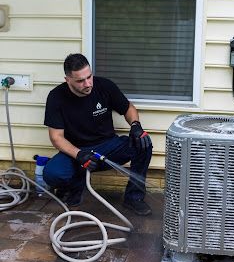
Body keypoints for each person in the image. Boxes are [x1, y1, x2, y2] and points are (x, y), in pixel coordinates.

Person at [43, 53, 153, 215]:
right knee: (52, 174)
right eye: (80, 81)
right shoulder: (56, 97)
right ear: (68, 80)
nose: (87, 84)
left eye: (89, 77)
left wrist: (136, 126)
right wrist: (79, 154)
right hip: (76, 152)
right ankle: (75, 188)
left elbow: (128, 108)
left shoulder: (104, 86)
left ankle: (133, 198)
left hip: (108, 147)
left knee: (144, 144)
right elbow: (56, 137)